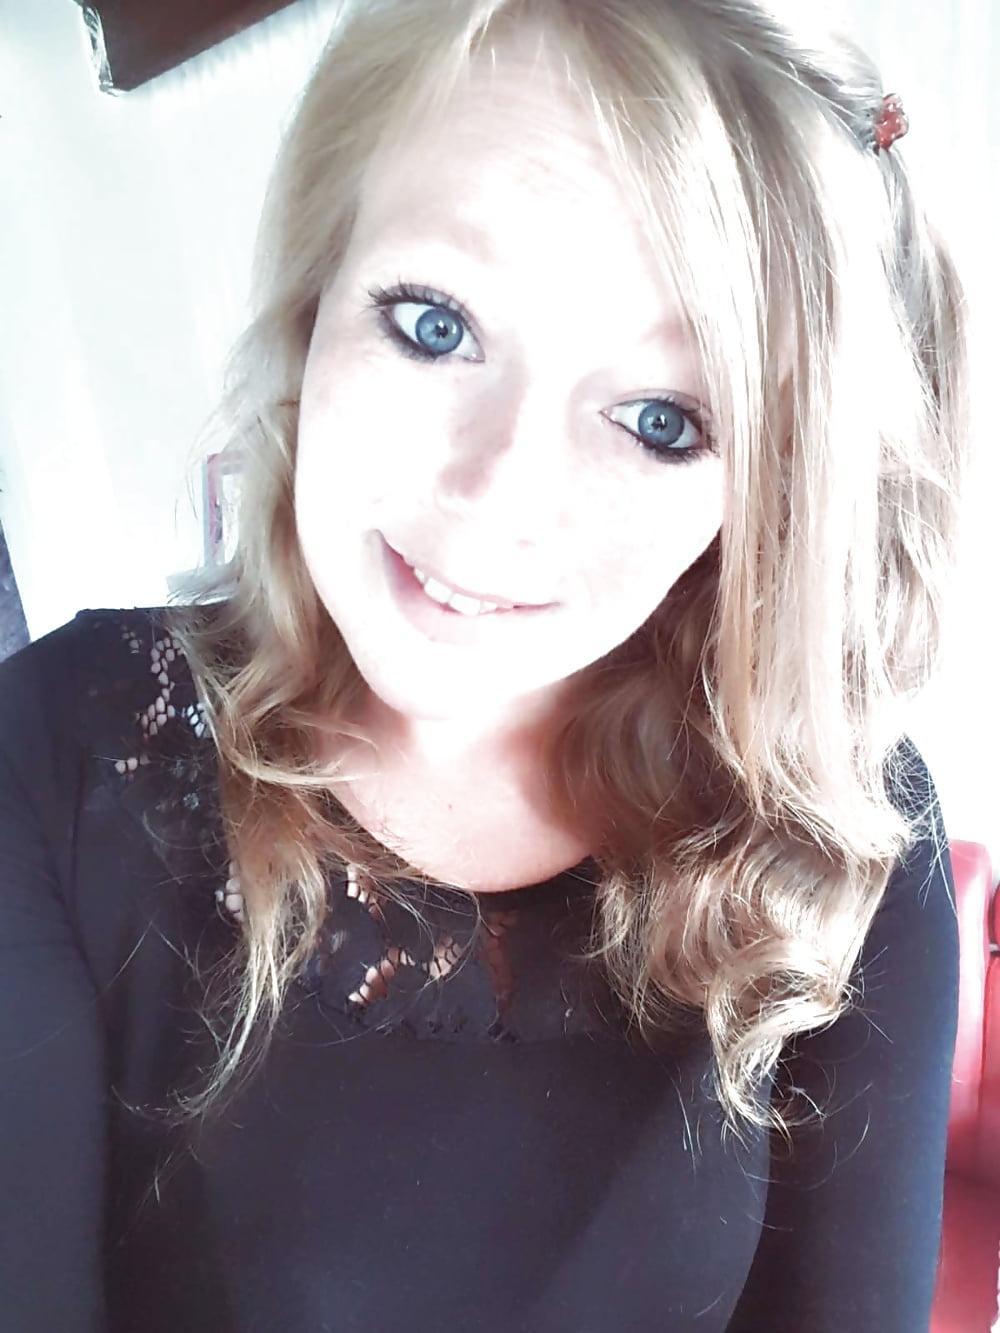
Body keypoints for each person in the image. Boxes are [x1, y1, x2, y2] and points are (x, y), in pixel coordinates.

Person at [0, 2, 973, 1329]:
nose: (495, 498)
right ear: (316, 298)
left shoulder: (836, 833)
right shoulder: (59, 759)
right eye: (435, 325)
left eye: (660, 420)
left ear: (764, 488)